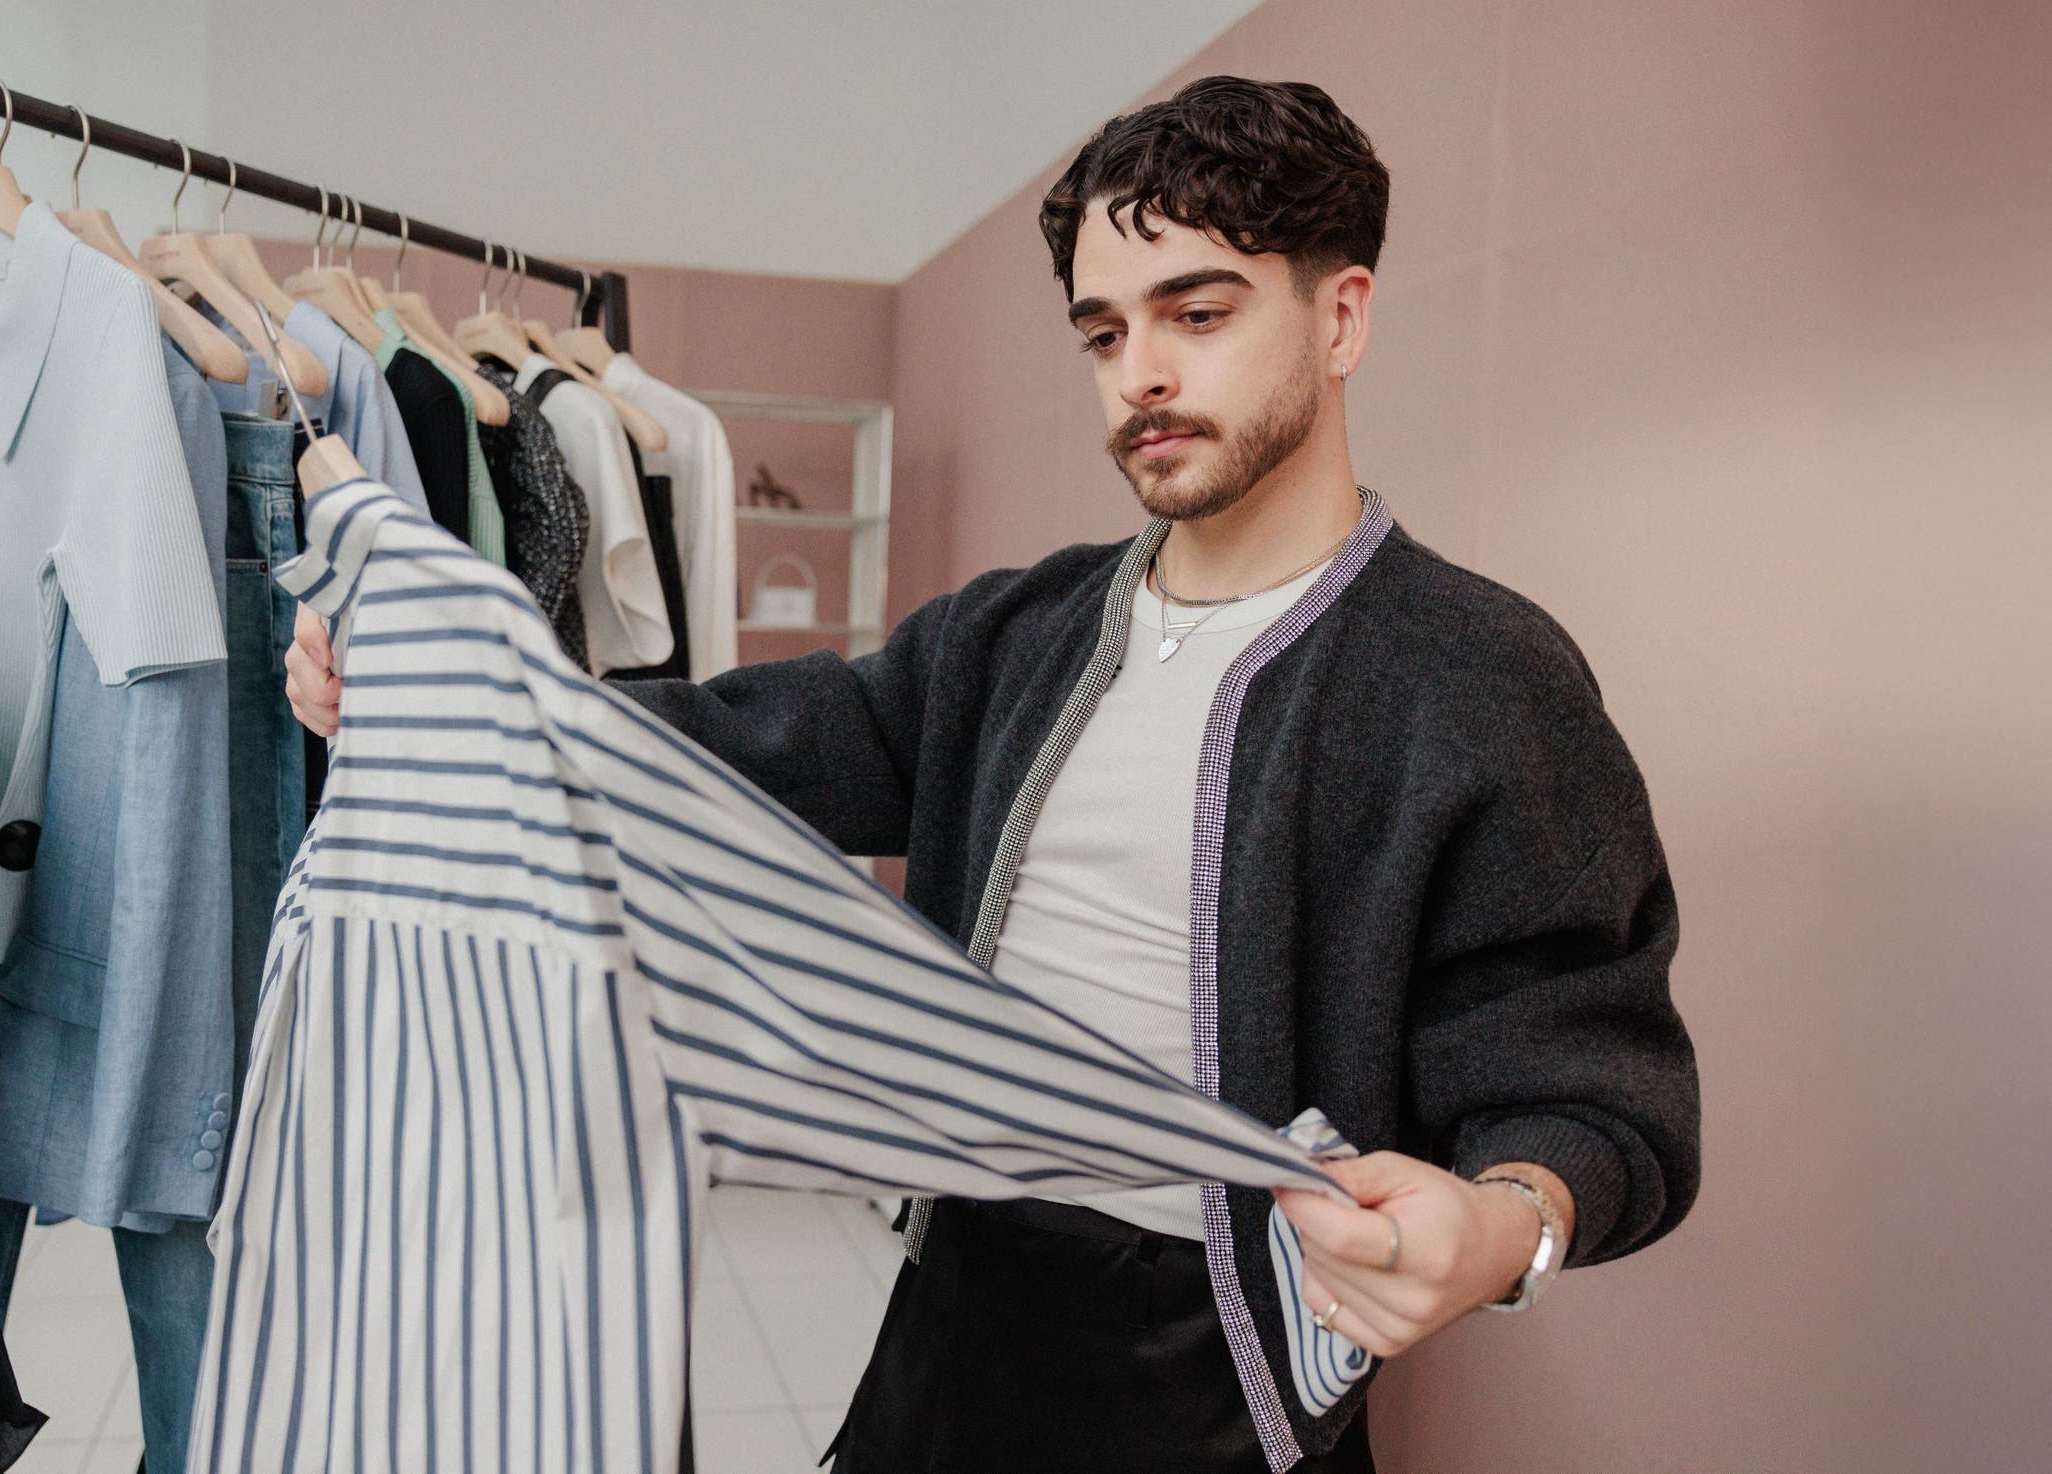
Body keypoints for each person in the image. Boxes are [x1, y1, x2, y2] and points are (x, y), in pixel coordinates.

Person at [285, 75, 1700, 1474]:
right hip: (962, 1297)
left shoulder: (1478, 678)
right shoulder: (1021, 630)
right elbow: (765, 742)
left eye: (1197, 315)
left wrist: (1505, 1225)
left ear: (1340, 317)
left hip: (1232, 1362)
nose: (1140, 372)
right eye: (1103, 332)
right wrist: (458, 698)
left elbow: (1588, 1083)